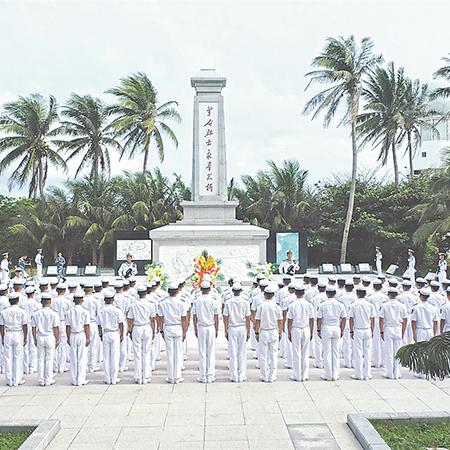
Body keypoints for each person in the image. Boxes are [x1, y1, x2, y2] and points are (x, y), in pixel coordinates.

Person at [157, 282, 188, 384]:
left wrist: (161, 329)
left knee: (170, 353)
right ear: (177, 291)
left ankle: (171, 377)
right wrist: (184, 331)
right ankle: (177, 376)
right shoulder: (181, 303)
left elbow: (160, 318)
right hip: (178, 327)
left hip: (168, 327)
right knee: (178, 352)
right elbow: (184, 318)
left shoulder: (163, 303)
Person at [127, 284, 156, 384]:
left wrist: (130, 330)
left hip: (137, 328)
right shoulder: (150, 304)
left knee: (137, 353)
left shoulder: (133, 305)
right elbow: (152, 319)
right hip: (146, 327)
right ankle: (146, 376)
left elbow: (130, 319)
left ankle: (138, 376)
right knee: (146, 352)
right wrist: (153, 330)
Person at [255, 283, 283, 383]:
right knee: (273, 354)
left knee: (263, 355)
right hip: (273, 331)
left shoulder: (261, 306)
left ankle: (264, 375)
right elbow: (280, 321)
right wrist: (280, 332)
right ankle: (272, 375)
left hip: (264, 331)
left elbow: (257, 320)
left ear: (264, 295)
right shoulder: (277, 307)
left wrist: (256, 332)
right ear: (273, 295)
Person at [223, 282, 251, 382]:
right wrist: (248, 331)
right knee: (242, 352)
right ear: (241, 291)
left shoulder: (228, 303)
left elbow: (225, 318)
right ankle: (242, 375)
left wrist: (226, 330)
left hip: (232, 328)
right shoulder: (245, 302)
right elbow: (248, 318)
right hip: (242, 327)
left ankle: (234, 375)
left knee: (233, 352)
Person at [317, 285, 346, 381]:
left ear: (327, 293)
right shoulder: (340, 304)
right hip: (336, 327)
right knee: (336, 352)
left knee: (327, 352)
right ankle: (335, 374)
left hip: (326, 327)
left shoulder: (322, 305)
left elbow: (319, 319)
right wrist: (342, 329)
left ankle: (328, 374)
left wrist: (318, 330)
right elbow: (344, 318)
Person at [193, 281, 219, 383]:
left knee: (202, 351)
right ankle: (210, 375)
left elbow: (194, 317)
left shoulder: (197, 301)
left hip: (201, 327)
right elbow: (216, 316)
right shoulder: (213, 301)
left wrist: (195, 328)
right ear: (209, 289)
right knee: (211, 351)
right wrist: (216, 329)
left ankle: (203, 375)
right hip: (210, 326)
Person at [97, 290, 125, 385]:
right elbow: (121, 323)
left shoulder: (101, 311)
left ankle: (107, 378)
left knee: (106, 357)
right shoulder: (117, 310)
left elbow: (99, 325)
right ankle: (114, 378)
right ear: (113, 300)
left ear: (104, 300)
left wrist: (100, 334)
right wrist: (121, 334)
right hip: (114, 333)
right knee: (114, 355)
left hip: (106, 333)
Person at [379, 287, 407, 379]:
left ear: (389, 295)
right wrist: (403, 331)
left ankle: (390, 372)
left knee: (389, 351)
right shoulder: (402, 306)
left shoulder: (384, 305)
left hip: (388, 328)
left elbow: (381, 319)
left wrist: (381, 331)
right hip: (398, 328)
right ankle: (397, 373)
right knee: (397, 351)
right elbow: (405, 319)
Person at [31, 293, 60, 386]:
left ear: (41, 302)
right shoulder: (54, 313)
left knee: (40, 359)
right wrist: (57, 338)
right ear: (50, 302)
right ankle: (48, 379)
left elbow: (33, 327)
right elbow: (55, 328)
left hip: (40, 336)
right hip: (49, 336)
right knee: (49, 359)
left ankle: (41, 380)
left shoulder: (36, 313)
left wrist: (34, 338)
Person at [287, 284, 313, 382]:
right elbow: (311, 319)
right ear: (304, 293)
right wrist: (311, 331)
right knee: (305, 352)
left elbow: (289, 320)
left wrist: (289, 332)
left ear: (295, 293)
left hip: (296, 329)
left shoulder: (292, 305)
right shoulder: (309, 305)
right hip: (306, 328)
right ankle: (304, 375)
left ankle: (297, 375)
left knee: (296, 352)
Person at [0, 293, 27, 386]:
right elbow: (24, 325)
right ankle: (17, 379)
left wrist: (3, 337)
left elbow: (2, 326)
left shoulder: (4, 312)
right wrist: (26, 336)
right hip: (18, 333)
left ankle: (9, 380)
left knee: (8, 357)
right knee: (18, 357)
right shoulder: (22, 311)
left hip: (8, 333)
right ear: (17, 300)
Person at [349, 287, 375, 381]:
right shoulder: (370, 305)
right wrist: (372, 330)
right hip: (367, 329)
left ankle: (358, 374)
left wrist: (351, 330)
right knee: (367, 352)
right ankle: (367, 374)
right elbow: (372, 319)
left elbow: (351, 319)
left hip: (358, 329)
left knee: (358, 352)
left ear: (357, 294)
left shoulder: (354, 305)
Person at [65, 291, 90, 386]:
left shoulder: (69, 312)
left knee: (74, 357)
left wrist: (68, 337)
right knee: (82, 357)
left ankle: (74, 379)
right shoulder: (85, 311)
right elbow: (86, 325)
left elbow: (67, 326)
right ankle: (81, 379)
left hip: (72, 334)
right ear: (82, 300)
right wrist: (88, 337)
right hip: (81, 334)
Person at [51, 284, 72, 373]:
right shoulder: (67, 301)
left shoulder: (52, 301)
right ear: (64, 291)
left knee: (55, 344)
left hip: (54, 323)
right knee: (63, 345)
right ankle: (62, 367)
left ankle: (55, 366)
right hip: (63, 322)